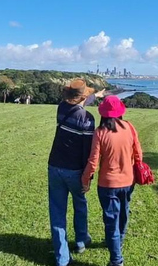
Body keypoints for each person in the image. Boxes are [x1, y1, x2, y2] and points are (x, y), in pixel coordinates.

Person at [47, 79, 103, 266]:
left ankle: (62, 258)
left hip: (55, 167)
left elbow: (79, 103)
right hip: (75, 170)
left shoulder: (62, 108)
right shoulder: (88, 119)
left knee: (57, 212)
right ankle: (81, 241)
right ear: (83, 97)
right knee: (80, 205)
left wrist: (96, 95)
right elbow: (88, 150)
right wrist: (88, 176)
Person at [82, 95, 143, 266]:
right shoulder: (130, 127)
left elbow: (93, 161)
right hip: (128, 181)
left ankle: (116, 260)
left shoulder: (100, 133)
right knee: (123, 212)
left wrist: (85, 180)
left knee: (111, 220)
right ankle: (119, 241)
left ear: (103, 114)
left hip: (107, 184)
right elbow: (138, 153)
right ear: (120, 113)